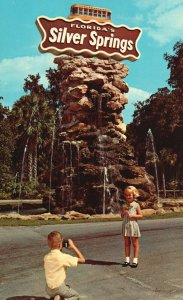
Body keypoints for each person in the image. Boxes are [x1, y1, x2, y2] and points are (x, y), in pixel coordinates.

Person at [44, 231, 85, 300]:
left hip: (49, 289)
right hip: (59, 288)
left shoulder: (46, 257)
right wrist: (73, 246)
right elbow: (82, 260)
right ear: (60, 243)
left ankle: (55, 297)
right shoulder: (63, 257)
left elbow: (56, 257)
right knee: (76, 296)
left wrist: (59, 246)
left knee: (66, 286)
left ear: (49, 243)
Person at [121, 186, 143, 268]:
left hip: (133, 225)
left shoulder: (136, 205)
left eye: (130, 195)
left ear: (134, 195)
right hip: (126, 225)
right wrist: (124, 212)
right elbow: (121, 216)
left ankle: (135, 260)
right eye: (126, 195)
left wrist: (133, 215)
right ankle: (127, 259)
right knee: (127, 243)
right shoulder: (124, 205)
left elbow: (141, 215)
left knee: (135, 244)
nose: (128, 197)